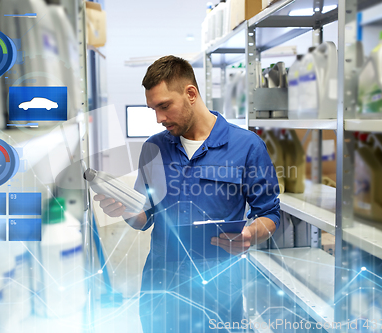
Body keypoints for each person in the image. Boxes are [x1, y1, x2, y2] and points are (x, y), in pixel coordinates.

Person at [94, 55, 280, 332]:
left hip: (218, 288)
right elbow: (145, 217)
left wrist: (250, 234)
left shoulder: (247, 146)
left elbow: (269, 214)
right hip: (161, 287)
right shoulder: (153, 148)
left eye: (164, 106)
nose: (159, 118)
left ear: (190, 93)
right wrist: (126, 211)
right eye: (153, 109)